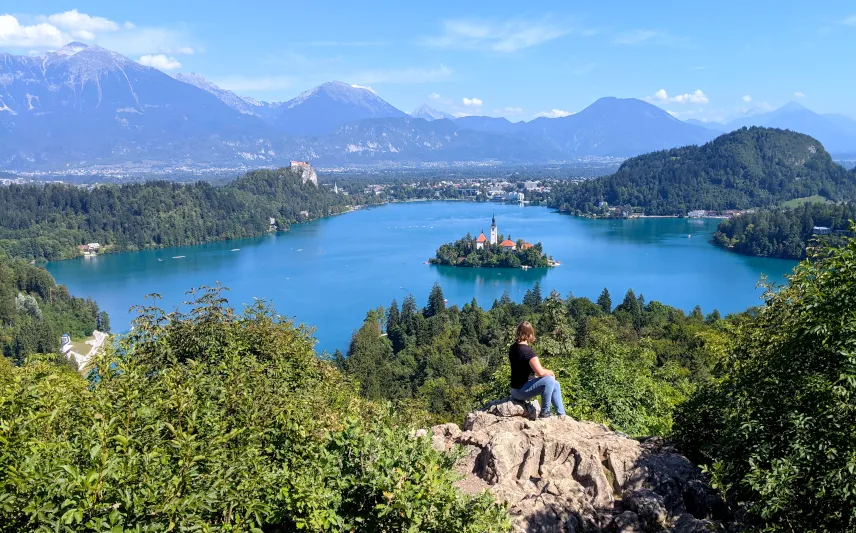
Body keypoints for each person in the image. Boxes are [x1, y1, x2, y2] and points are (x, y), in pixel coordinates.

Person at [508, 321, 566, 419]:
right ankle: (545, 412)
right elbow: (541, 372)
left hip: (514, 390)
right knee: (549, 380)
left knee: (556, 384)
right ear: (529, 334)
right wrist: (551, 372)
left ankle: (562, 414)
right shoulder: (528, 352)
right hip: (521, 391)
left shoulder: (513, 348)